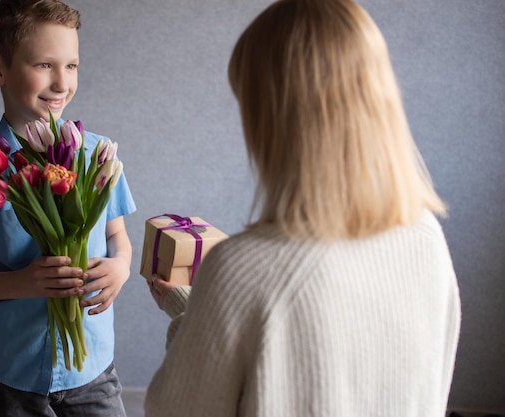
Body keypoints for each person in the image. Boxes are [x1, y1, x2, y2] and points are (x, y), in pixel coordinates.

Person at [145, 0, 461, 416]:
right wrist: (200, 309)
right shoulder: (426, 235)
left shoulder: (240, 267)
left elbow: (175, 409)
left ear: (271, 121)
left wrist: (195, 308)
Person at [0, 1, 136, 416]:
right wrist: (25, 283)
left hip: (91, 366)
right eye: (44, 65)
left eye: (72, 66)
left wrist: (121, 266)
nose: (62, 83)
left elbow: (117, 236)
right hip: (13, 369)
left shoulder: (95, 154)